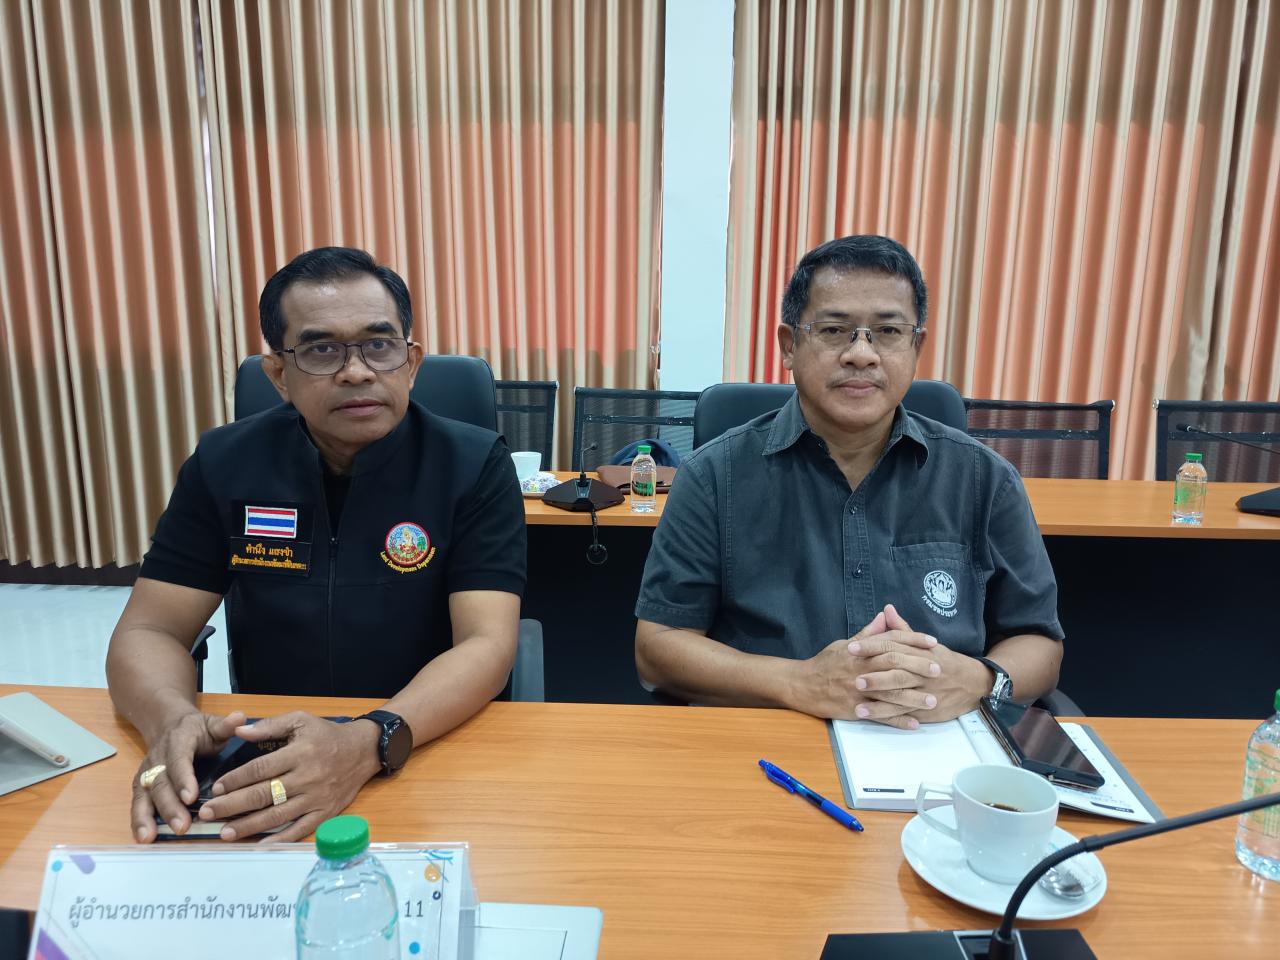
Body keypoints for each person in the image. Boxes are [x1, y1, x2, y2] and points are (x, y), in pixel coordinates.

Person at [107, 247, 526, 843]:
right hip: (266, 745)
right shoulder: (226, 462)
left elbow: (487, 643)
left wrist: (368, 740)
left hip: (424, 743)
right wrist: (170, 720)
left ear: (410, 363)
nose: (357, 371)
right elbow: (149, 630)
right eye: (322, 350)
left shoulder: (473, 463)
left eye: (379, 345)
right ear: (279, 374)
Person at [634, 235, 1063, 729]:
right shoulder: (713, 476)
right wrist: (798, 682)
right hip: (766, 739)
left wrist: (980, 680)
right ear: (789, 345)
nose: (862, 354)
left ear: (916, 346)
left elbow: (1040, 642)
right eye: (835, 330)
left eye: (888, 331)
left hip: (940, 743)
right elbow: (658, 648)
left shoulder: (985, 478)